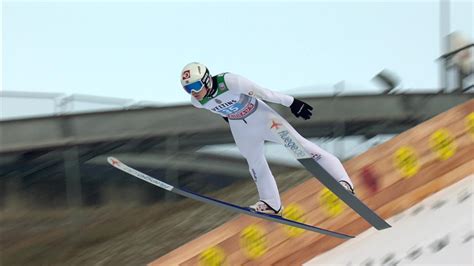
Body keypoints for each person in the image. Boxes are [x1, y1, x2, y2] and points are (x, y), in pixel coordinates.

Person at [180, 62, 355, 216]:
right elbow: (219, 108)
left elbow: (265, 93)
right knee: (254, 163)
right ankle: (271, 203)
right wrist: (231, 117)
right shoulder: (197, 102)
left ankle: (343, 180)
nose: (193, 92)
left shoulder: (230, 82)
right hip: (241, 128)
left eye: (195, 86)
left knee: (301, 148)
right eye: (187, 88)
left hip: (263, 118)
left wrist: (292, 102)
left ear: (206, 80)